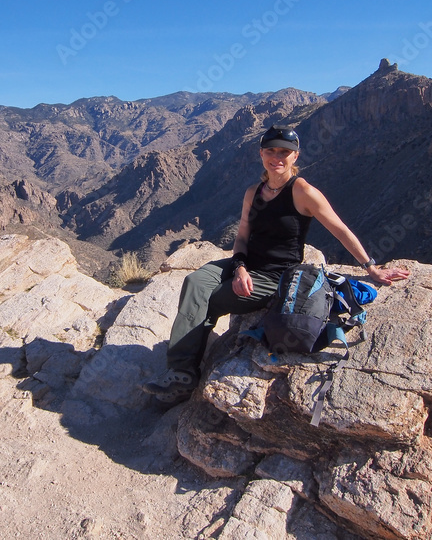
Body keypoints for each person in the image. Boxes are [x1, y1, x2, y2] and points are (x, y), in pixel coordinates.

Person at [142, 124, 411, 402]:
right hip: (246, 264)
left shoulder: (302, 191)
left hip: (276, 277)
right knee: (195, 282)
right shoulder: (253, 192)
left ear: (295, 156)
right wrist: (240, 267)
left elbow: (340, 229)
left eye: (285, 152)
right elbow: (243, 236)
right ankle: (181, 371)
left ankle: (182, 373)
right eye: (271, 150)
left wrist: (371, 267)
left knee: (212, 301)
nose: (277, 157)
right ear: (261, 154)